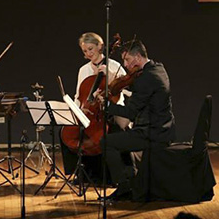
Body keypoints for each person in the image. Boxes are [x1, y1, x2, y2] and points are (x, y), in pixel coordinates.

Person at [99, 39, 175, 201]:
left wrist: (106, 106)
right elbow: (142, 91)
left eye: (127, 60)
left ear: (138, 57)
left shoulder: (145, 79)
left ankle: (124, 186)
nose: (125, 64)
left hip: (152, 133)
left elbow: (130, 112)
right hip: (164, 128)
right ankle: (132, 177)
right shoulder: (157, 68)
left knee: (106, 142)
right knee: (122, 134)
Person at [60, 32, 128, 184]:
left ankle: (112, 175)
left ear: (100, 47)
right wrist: (78, 111)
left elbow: (127, 90)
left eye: (91, 49)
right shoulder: (83, 70)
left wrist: (111, 77)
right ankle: (81, 173)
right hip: (91, 112)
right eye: (85, 51)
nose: (88, 53)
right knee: (66, 131)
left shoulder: (115, 66)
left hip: (113, 110)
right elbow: (79, 95)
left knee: (114, 128)